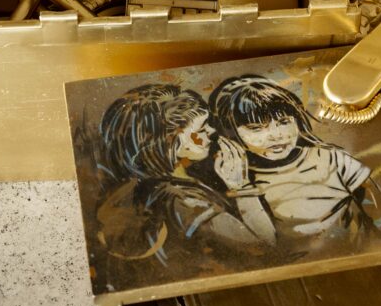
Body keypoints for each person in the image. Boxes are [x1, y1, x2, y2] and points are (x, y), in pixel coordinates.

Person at [96, 83, 275, 263]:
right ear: (170, 141)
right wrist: (242, 186)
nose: (211, 131)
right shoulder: (181, 200)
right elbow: (265, 246)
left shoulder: (146, 185)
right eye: (201, 128)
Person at [209, 74, 381, 248]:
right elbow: (265, 243)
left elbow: (380, 210)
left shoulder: (331, 158)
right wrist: (242, 187)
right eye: (256, 128)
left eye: (283, 122)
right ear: (230, 134)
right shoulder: (237, 181)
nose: (276, 135)